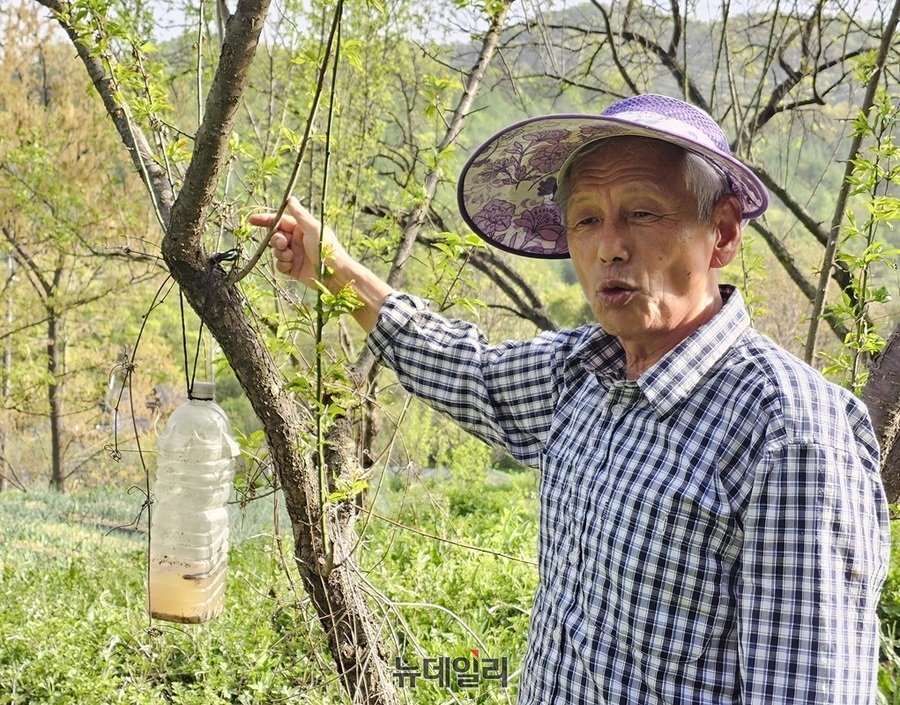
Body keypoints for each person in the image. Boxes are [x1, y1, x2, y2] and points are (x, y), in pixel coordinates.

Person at [250, 94, 890, 704]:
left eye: (641, 212)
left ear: (721, 233)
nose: (609, 244)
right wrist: (330, 267)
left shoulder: (792, 435)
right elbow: (461, 366)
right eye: (586, 219)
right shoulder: (582, 373)